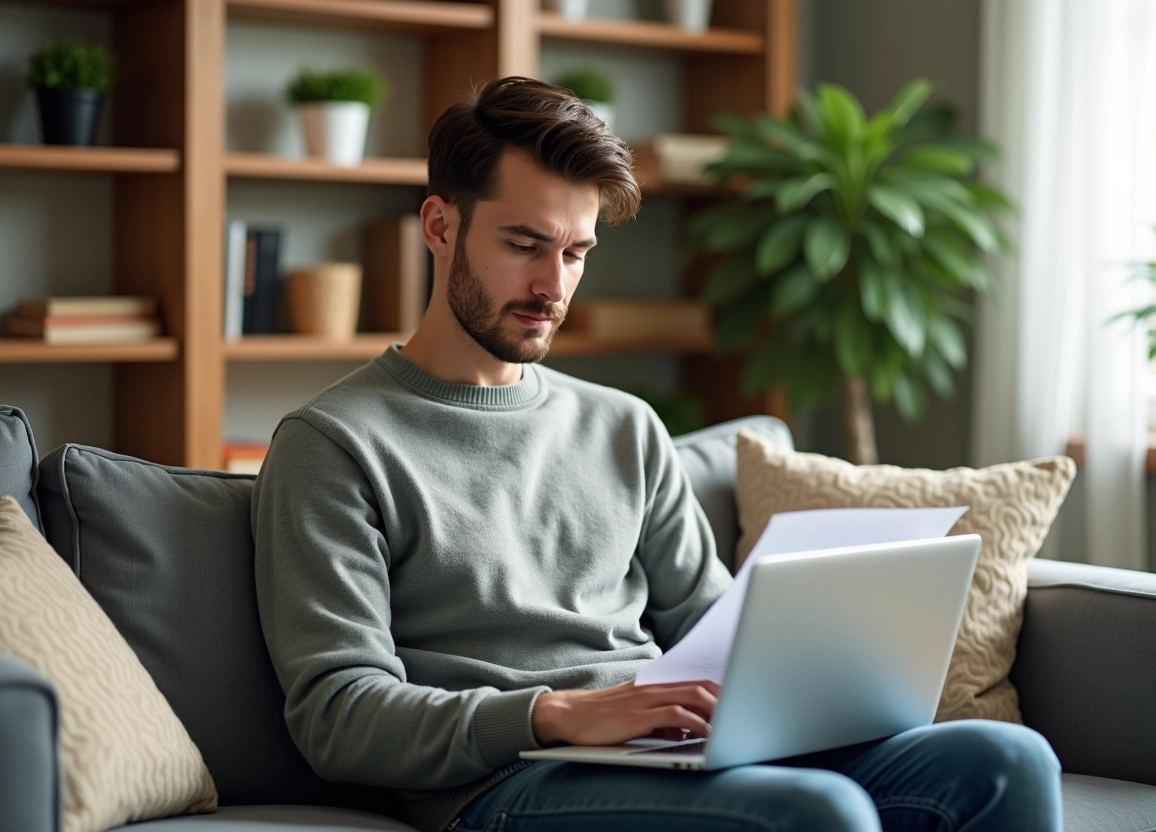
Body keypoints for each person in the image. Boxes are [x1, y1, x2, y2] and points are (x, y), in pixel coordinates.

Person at [250, 76, 1062, 832]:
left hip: (665, 747)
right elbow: (338, 713)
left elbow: (717, 628)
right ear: (440, 226)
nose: (552, 287)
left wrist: (815, 676)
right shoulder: (333, 445)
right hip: (505, 782)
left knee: (1005, 759)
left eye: (575, 254)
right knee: (816, 813)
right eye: (525, 245)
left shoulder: (624, 428)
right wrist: (554, 713)